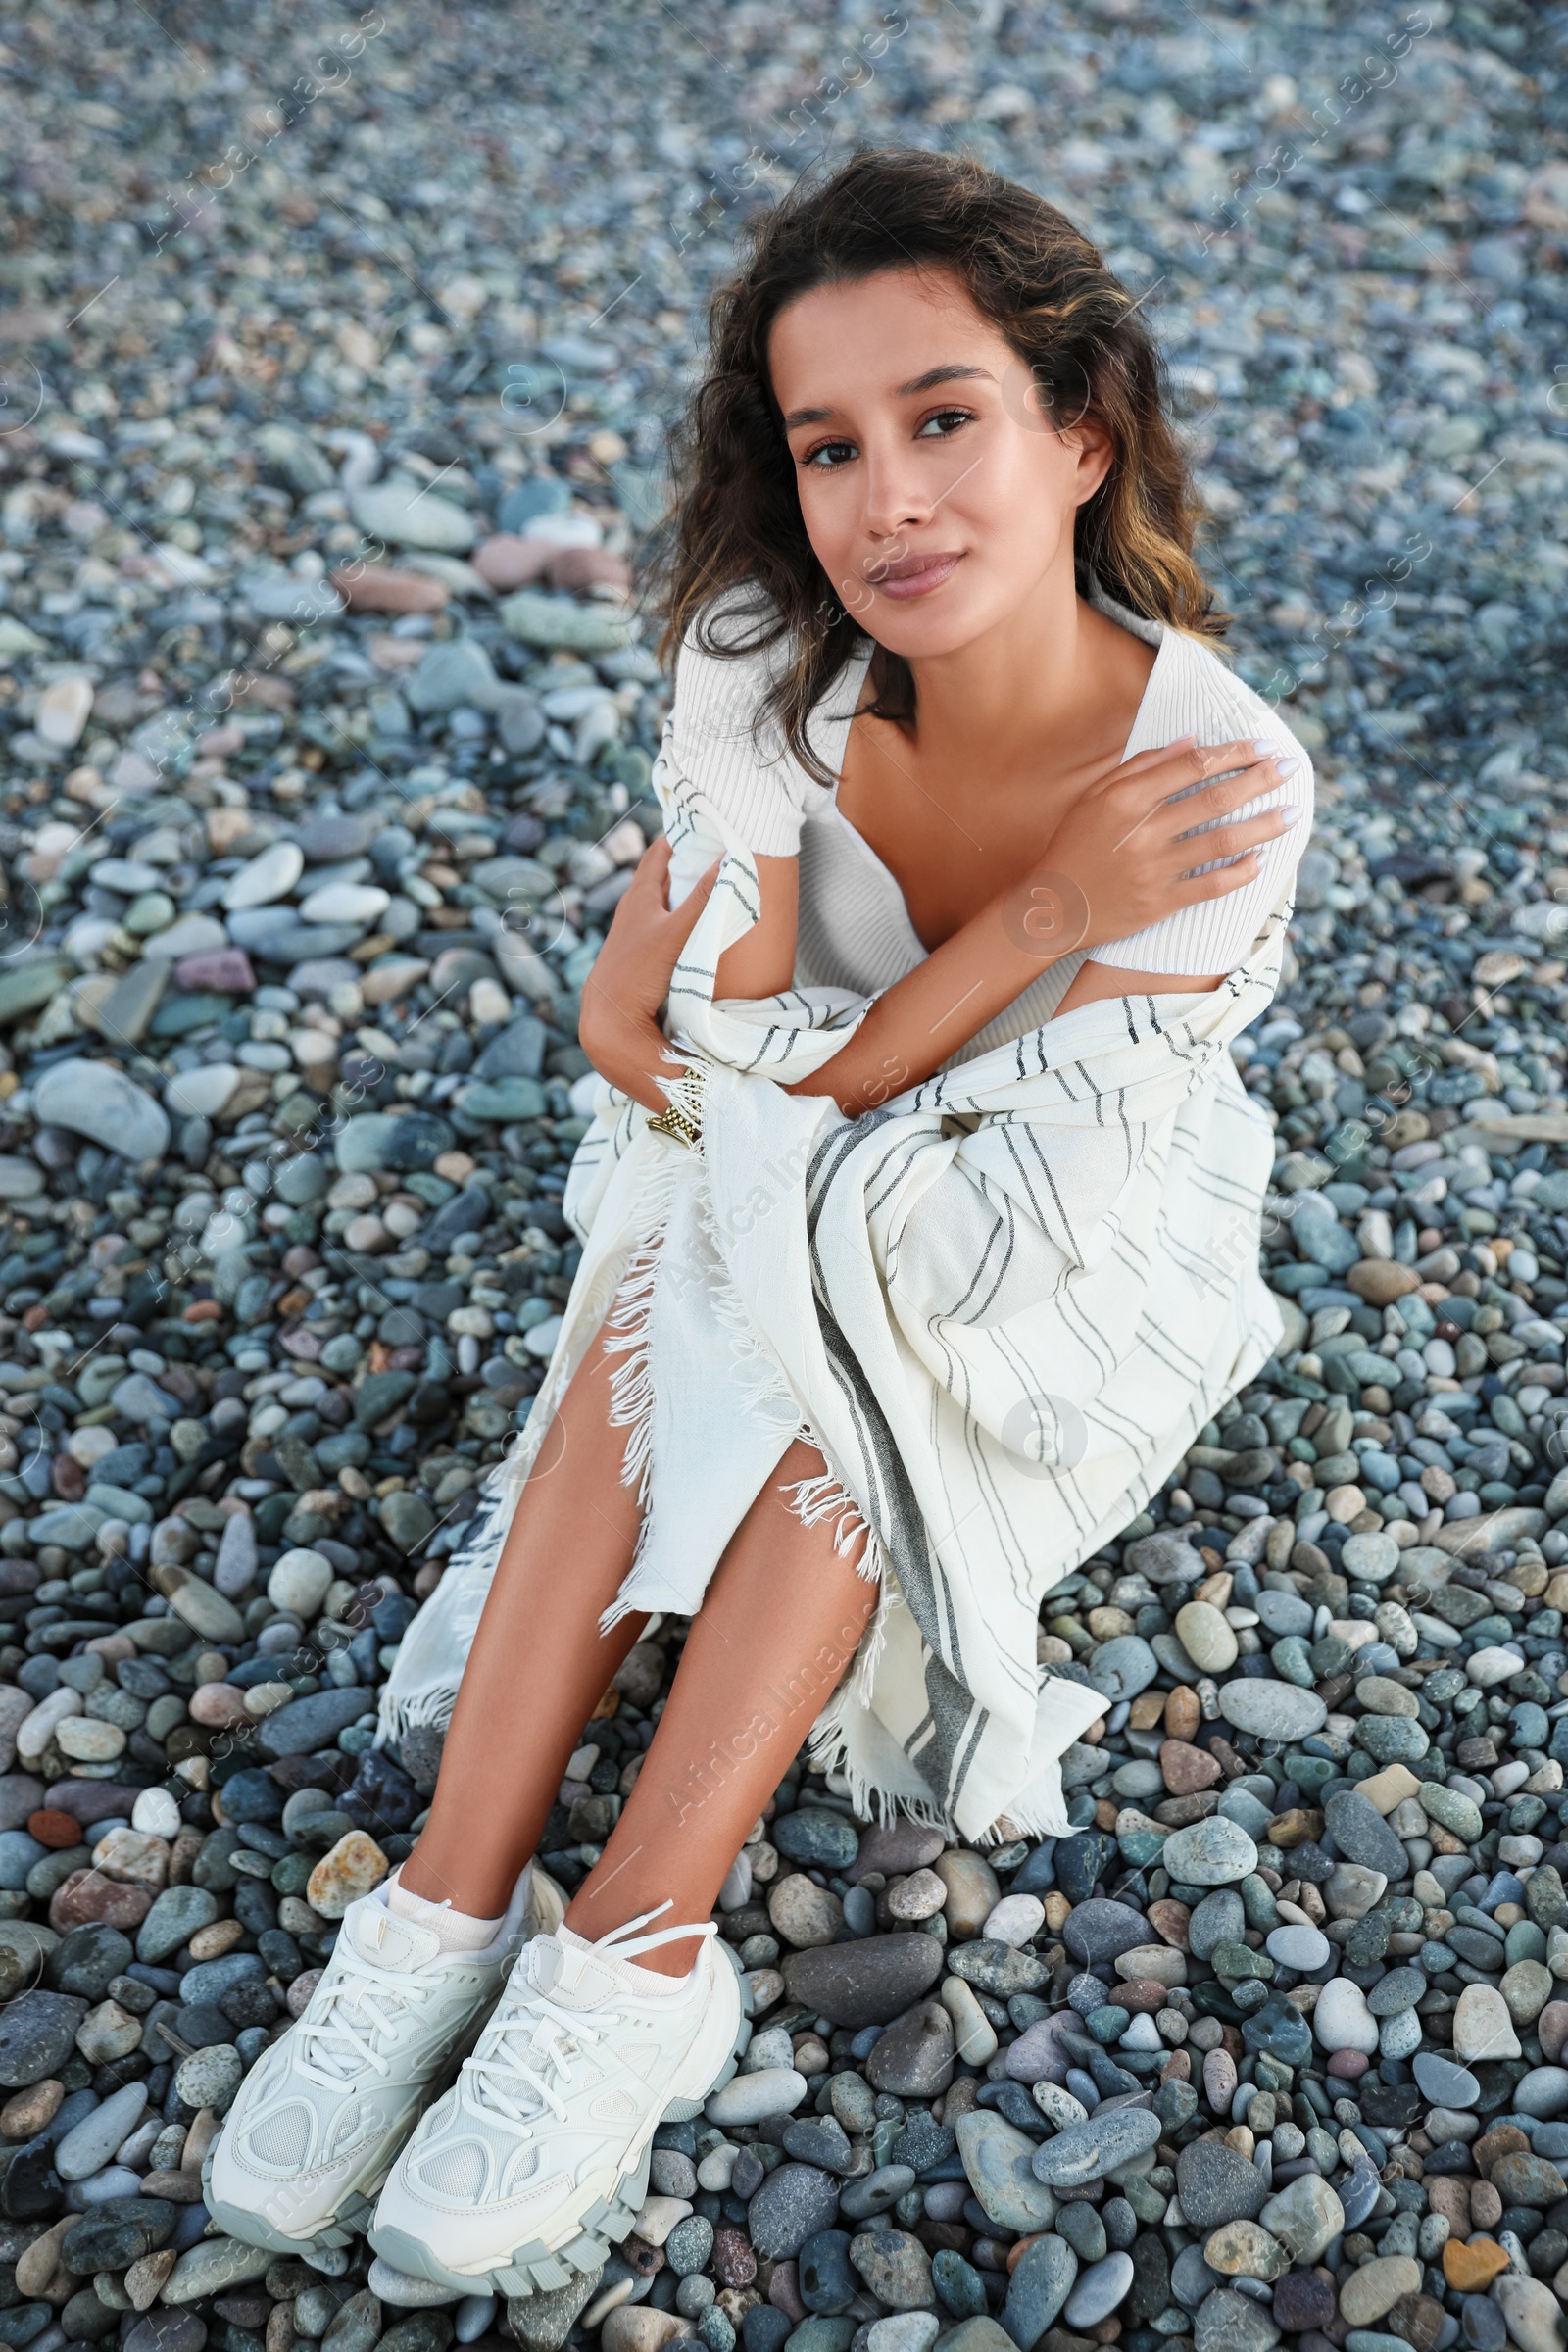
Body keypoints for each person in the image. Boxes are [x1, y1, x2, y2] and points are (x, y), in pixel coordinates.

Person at [207, 148, 1312, 2295]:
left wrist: (1025, 941)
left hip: (1044, 1261)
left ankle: (639, 1947)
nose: (884, 496)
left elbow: (880, 1165)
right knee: (723, 1237)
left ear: (1079, 437)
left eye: (944, 418)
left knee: (818, 1264)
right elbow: (691, 1071)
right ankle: (434, 1917)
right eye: (827, 445)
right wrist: (942, 981)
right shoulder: (757, 657)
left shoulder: (1213, 782)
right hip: (788, 1187)